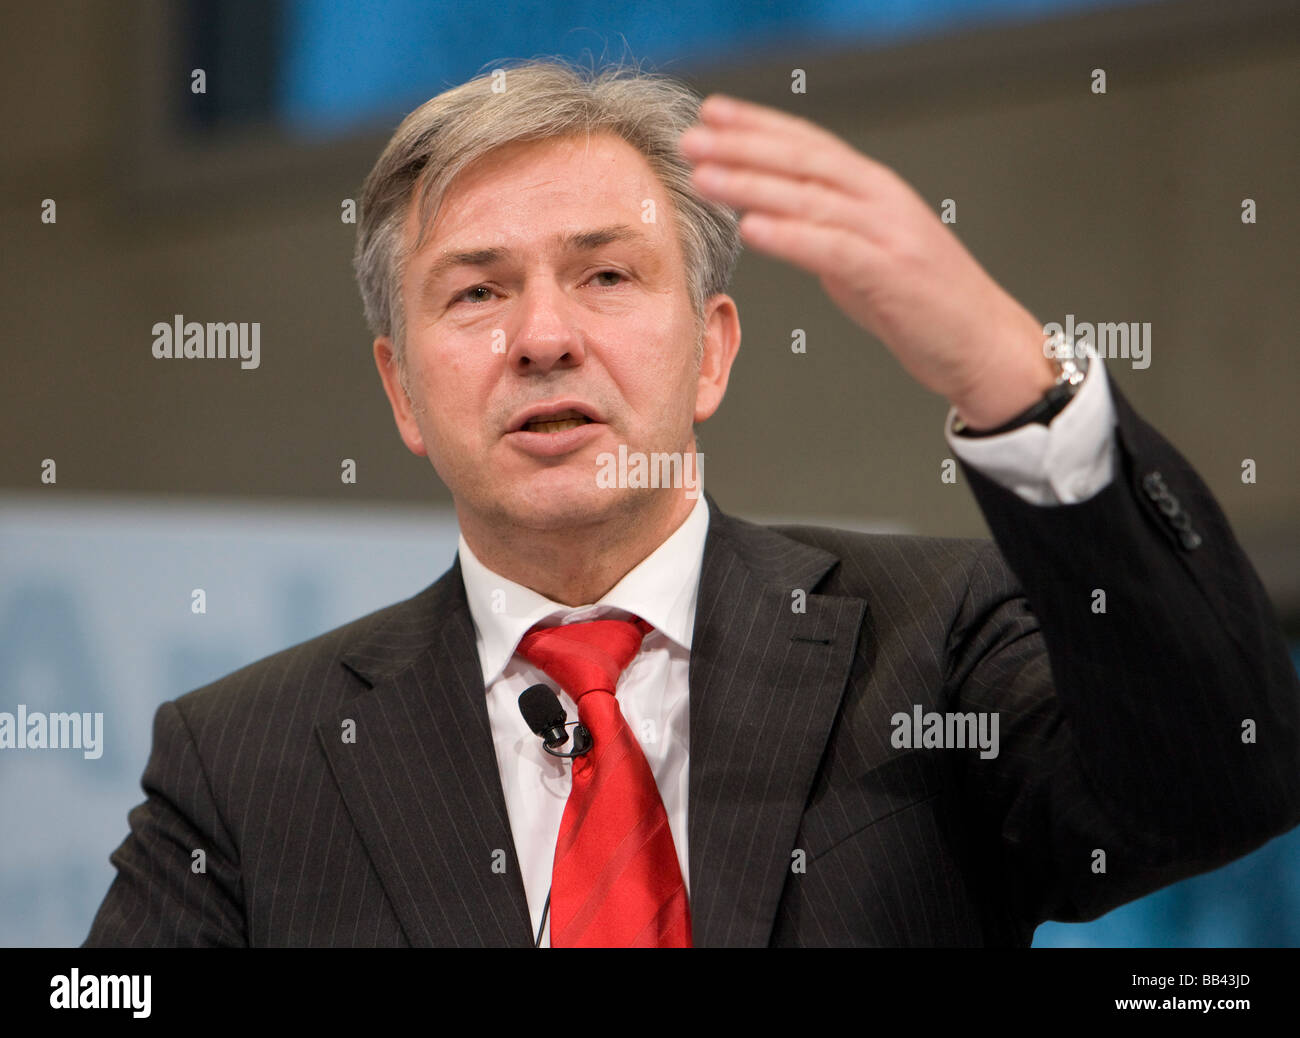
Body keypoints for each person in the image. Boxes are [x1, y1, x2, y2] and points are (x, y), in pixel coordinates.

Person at [84, 58, 1300, 947]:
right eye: (475, 294)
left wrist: (1010, 377)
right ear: (401, 390)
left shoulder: (935, 642)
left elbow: (1223, 782)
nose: (543, 337)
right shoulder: (245, 761)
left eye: (606, 274)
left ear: (711, 352)